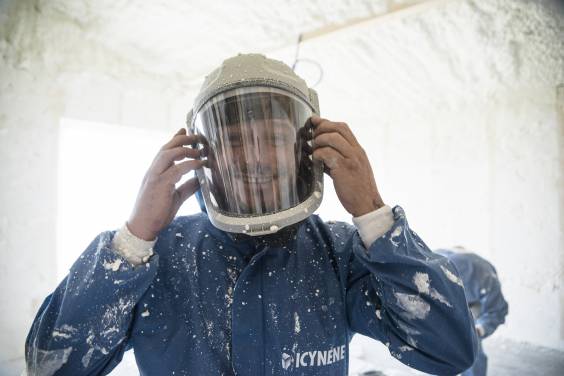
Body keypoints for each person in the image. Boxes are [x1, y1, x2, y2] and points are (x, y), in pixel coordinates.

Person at [25, 54, 477, 376]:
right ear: (204, 155)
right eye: (235, 140)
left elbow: (448, 350)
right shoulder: (155, 256)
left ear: (309, 149)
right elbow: (52, 365)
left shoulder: (340, 255)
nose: (253, 158)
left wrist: (374, 215)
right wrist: (134, 237)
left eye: (274, 139)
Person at [436, 248, 509, 376]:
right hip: (442, 291)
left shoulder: (485, 279)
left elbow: (497, 311)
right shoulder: (430, 270)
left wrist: (479, 330)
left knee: (470, 346)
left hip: (474, 300)